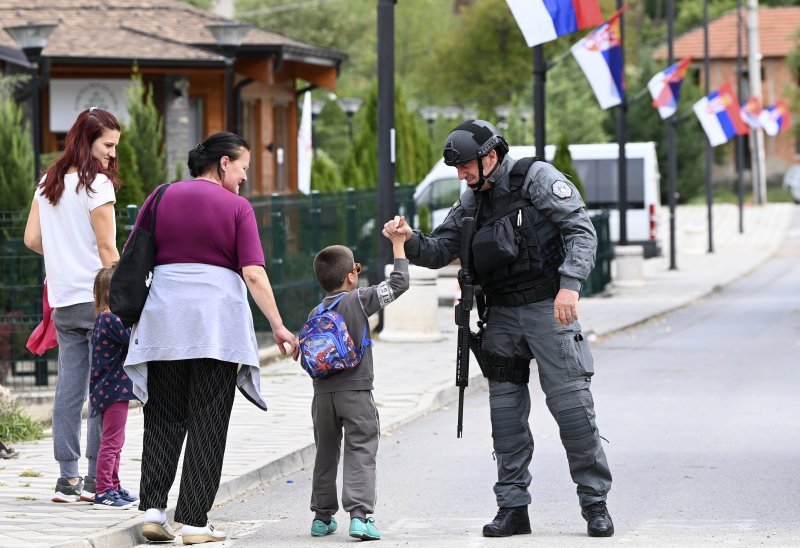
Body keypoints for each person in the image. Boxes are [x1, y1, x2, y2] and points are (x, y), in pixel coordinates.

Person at [383, 120, 614, 538]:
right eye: (457, 169)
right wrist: (407, 239)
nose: (461, 175)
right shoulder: (472, 200)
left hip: (550, 310)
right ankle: (513, 508)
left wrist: (570, 286)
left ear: (490, 156)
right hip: (501, 319)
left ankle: (595, 503)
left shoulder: (536, 179)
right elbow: (438, 251)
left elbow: (581, 229)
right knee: (505, 420)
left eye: (466, 166)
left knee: (573, 411)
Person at [123, 132, 300, 545]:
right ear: (223, 164)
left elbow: (136, 251)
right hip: (216, 324)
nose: (243, 178)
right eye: (242, 168)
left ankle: (153, 511)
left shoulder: (161, 196)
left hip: (164, 320)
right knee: (208, 419)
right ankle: (194, 523)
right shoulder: (237, 207)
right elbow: (253, 273)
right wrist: (277, 324)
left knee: (163, 413)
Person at [24, 107, 122, 503]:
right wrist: (122, 299)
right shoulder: (97, 185)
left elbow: (32, 238)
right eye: (107, 144)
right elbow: (107, 248)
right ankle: (99, 480)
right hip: (97, 299)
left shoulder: (48, 182)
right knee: (104, 388)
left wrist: (63, 255)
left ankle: (67, 478)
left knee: (69, 386)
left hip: (62, 298)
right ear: (88, 140)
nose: (112, 154)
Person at [306, 229, 409, 541]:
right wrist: (398, 246)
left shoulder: (315, 312)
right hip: (356, 391)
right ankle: (360, 517)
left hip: (322, 396)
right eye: (357, 269)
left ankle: (322, 518)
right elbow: (399, 284)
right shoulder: (359, 300)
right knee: (361, 447)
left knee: (325, 451)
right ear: (352, 275)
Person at [89, 265, 138, 509]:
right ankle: (103, 491)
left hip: (111, 390)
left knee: (116, 441)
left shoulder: (104, 318)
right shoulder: (111, 320)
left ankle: (114, 486)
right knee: (111, 442)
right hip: (113, 391)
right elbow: (133, 340)